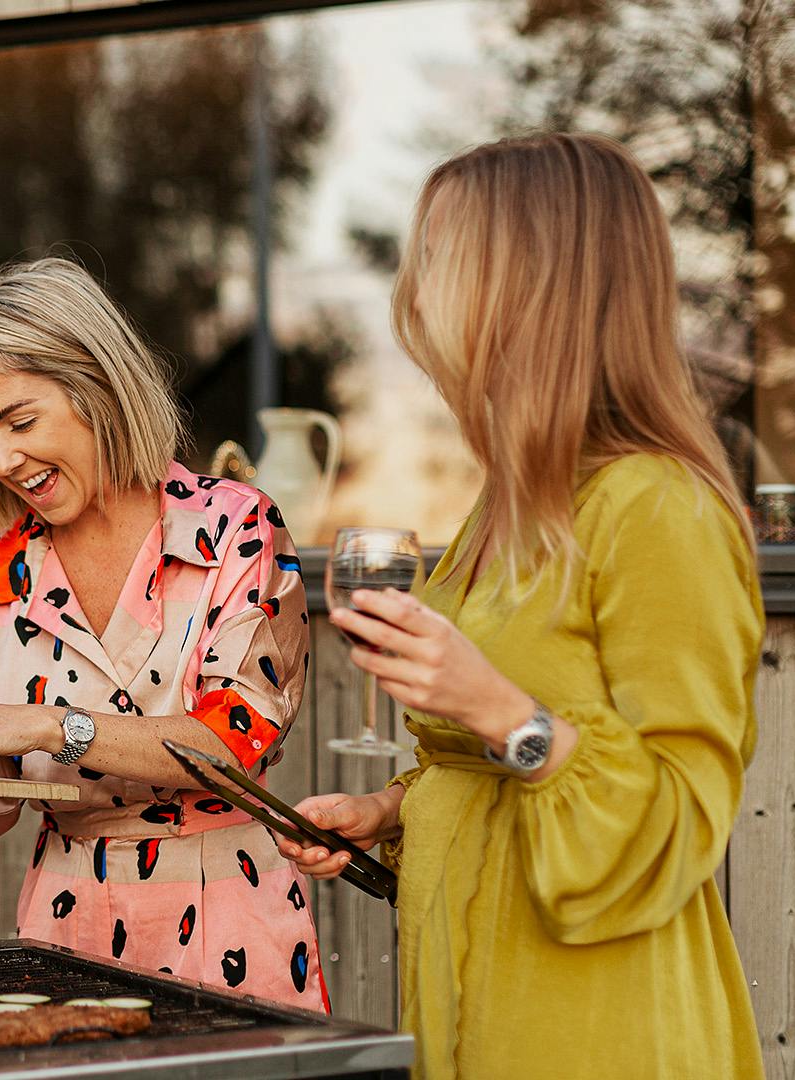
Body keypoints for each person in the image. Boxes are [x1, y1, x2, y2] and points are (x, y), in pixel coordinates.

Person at [274, 133, 765, 1077]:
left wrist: (497, 706)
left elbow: (680, 821)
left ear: (536, 287)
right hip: (473, 991)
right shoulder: (509, 508)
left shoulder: (658, 507)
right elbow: (497, 763)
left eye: (446, 261)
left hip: (593, 1020)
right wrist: (388, 808)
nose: (417, 292)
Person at [0, 257, 325, 1008]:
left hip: (228, 918)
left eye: (20, 421)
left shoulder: (235, 527)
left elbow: (234, 742)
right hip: (62, 931)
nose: (2, 459)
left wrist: (48, 726)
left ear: (99, 388)